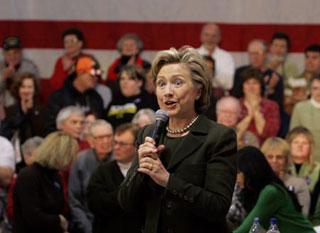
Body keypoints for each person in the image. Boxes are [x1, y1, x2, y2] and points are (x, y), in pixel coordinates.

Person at [118, 47, 237, 233]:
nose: (167, 92)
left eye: (177, 83)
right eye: (161, 84)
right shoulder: (147, 133)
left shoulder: (218, 137)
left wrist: (167, 180)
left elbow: (218, 206)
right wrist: (140, 169)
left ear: (198, 91)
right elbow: (126, 202)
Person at [234, 146, 315, 233]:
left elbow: (245, 229)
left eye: (238, 172)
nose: (235, 177)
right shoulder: (257, 192)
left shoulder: (271, 192)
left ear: (250, 171)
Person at [13, 131, 79, 233]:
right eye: (69, 155)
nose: (71, 160)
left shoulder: (55, 175)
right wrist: (59, 220)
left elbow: (59, 208)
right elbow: (33, 217)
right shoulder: (28, 176)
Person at [87, 123, 142, 233]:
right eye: (115, 142)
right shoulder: (102, 171)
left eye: (122, 144)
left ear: (136, 146)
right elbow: (95, 204)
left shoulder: (145, 170)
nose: (116, 147)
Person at [69, 120, 113, 233]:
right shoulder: (80, 160)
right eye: (100, 137)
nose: (106, 141)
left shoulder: (121, 158)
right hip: (88, 222)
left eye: (109, 136)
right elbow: (74, 200)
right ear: (91, 140)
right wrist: (88, 228)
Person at [45, 56, 104, 134]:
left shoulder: (97, 99)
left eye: (98, 75)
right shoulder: (58, 98)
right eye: (92, 74)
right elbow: (50, 128)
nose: (95, 78)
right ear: (80, 72)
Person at [0, 72, 45, 171]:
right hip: (16, 158)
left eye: (30, 87)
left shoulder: (42, 110)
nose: (26, 90)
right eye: (23, 87)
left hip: (38, 156)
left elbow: (41, 133)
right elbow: (6, 133)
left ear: (35, 90)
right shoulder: (10, 110)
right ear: (18, 89)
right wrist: (22, 114)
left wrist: (31, 112)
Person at [261, 137, 310, 215]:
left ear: (286, 160)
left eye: (279, 157)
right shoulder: (256, 183)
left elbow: (303, 215)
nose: (274, 160)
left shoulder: (299, 184)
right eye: (270, 157)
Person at [236, 68, 280, 145]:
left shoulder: (272, 106)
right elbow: (235, 134)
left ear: (261, 86)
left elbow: (269, 134)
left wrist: (255, 111)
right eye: (247, 83)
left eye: (255, 83)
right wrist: (250, 116)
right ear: (242, 86)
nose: (251, 86)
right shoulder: (235, 104)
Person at [0, 36, 40, 107]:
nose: (12, 57)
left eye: (15, 53)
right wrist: (3, 78)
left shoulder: (30, 67)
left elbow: (35, 91)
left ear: (21, 53)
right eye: (8, 54)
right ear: (4, 54)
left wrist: (15, 77)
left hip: (23, 107)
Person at [197, 23, 235, 93]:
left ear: (219, 38)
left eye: (214, 36)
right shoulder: (193, 55)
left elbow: (229, 83)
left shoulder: (226, 57)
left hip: (220, 98)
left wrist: (204, 77)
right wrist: (218, 79)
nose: (210, 39)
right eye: (207, 35)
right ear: (201, 36)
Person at [290, 75, 320, 162]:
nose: (319, 92)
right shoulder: (300, 108)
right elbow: (293, 136)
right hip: (306, 160)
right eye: (315, 88)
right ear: (310, 90)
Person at [49, 28, 87, 94]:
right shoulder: (60, 61)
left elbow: (89, 84)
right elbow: (55, 86)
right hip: (64, 97)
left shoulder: (88, 59)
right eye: (66, 42)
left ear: (80, 44)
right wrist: (64, 70)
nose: (69, 45)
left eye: (72, 41)